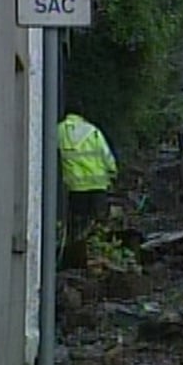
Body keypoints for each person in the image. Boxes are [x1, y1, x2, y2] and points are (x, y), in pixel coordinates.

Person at [57, 110, 118, 265]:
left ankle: (77, 256)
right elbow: (106, 155)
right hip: (98, 186)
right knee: (98, 224)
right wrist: (113, 172)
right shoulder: (93, 131)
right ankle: (99, 255)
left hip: (76, 187)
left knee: (77, 224)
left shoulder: (60, 131)